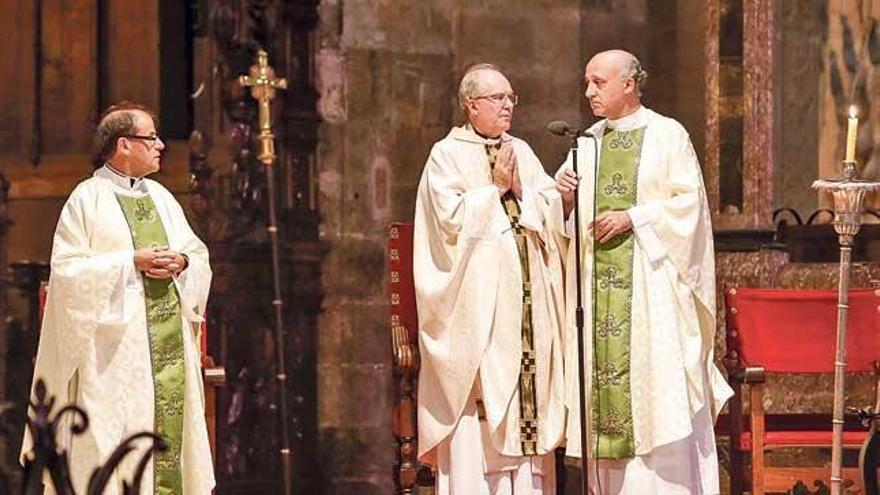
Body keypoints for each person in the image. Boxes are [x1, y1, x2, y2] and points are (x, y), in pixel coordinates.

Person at [555, 50, 733, 494]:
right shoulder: (588, 141)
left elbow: (689, 206)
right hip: (600, 297)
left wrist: (633, 217)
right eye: (587, 82)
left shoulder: (667, 134)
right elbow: (558, 218)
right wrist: (562, 198)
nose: (589, 92)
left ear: (629, 84)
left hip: (651, 297)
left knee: (657, 398)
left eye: (598, 82)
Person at [21, 102, 215, 494]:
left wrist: (181, 262)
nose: (161, 145)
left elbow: (198, 255)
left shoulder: (162, 198)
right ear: (124, 144)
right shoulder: (86, 199)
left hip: (164, 356)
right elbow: (68, 273)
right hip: (110, 358)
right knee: (112, 445)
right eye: (151, 138)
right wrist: (131, 263)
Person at [413, 64, 567, 494]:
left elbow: (549, 209)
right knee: (479, 414)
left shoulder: (522, 150)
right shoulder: (446, 155)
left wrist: (527, 190)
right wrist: (494, 191)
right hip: (479, 312)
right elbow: (447, 222)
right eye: (498, 98)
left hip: (529, 310)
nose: (507, 107)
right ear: (471, 105)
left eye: (511, 98)